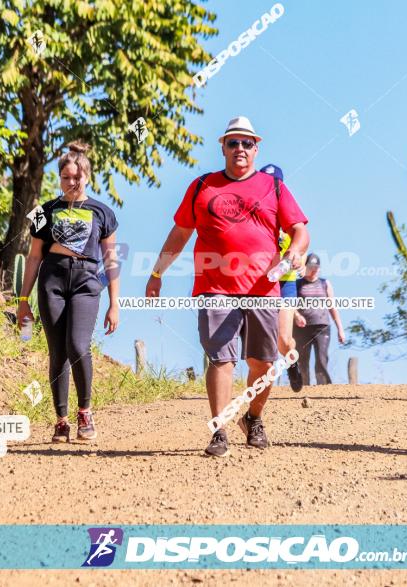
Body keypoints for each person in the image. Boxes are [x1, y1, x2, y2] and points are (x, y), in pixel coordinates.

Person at [145, 116, 309, 457]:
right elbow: (180, 233)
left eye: (247, 143)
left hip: (263, 289)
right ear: (222, 146)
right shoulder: (203, 186)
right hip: (215, 286)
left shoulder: (273, 187)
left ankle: (253, 418)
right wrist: (157, 273)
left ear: (256, 148)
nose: (240, 148)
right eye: (233, 142)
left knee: (262, 363)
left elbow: (300, 230)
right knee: (221, 358)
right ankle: (219, 430)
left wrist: (294, 251)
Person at [17, 141, 120, 443]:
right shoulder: (43, 212)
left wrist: (115, 303)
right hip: (52, 280)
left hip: (87, 282)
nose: (72, 183)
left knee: (78, 345)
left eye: (77, 177)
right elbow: (34, 256)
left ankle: (85, 412)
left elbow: (111, 259)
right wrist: (23, 301)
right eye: (66, 177)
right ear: (59, 178)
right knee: (57, 352)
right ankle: (61, 420)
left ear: (87, 176)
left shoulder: (103, 212)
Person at [261, 163, 304, 392]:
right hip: (260, 281)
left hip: (285, 282)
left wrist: (299, 262)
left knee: (284, 341)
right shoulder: (257, 212)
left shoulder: (289, 214)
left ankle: (292, 362)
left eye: (273, 183)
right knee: (266, 340)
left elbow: (302, 246)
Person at [293, 253, 346, 385]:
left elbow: (332, 307)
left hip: (322, 327)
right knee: (302, 361)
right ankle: (304, 388)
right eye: (311, 266)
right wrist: (297, 315)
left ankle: (324, 390)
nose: (314, 269)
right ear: (305, 267)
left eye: (317, 266)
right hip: (301, 329)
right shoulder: (297, 284)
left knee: (321, 360)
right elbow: (289, 305)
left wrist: (340, 329)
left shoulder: (325, 283)